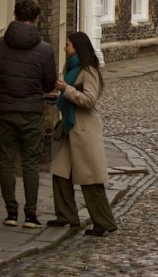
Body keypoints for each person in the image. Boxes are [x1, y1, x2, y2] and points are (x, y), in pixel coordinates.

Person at [0, 0, 57, 229]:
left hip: (5, 109)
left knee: (6, 160)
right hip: (31, 112)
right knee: (30, 163)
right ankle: (31, 215)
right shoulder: (45, 50)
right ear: (36, 19)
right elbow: (48, 85)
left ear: (14, 15)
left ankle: (11, 213)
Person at [49, 31, 118, 238]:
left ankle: (104, 222)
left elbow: (89, 100)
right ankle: (67, 216)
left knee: (90, 179)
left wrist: (66, 90)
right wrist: (59, 94)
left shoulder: (89, 71)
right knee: (60, 172)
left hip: (85, 130)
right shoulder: (71, 68)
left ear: (78, 48)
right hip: (72, 130)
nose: (65, 48)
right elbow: (69, 94)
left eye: (68, 45)